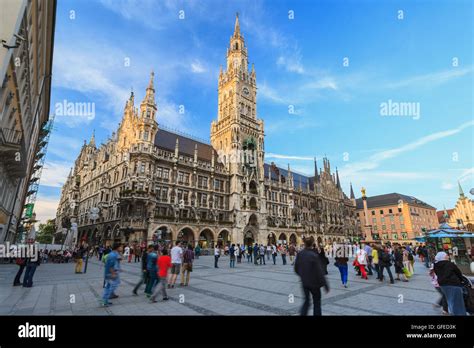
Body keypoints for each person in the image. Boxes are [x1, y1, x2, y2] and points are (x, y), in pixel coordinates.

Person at [294, 236, 329, 316]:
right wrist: (325, 285)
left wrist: (303, 275)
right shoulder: (314, 255)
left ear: (305, 244)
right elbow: (320, 272)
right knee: (316, 303)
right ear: (312, 244)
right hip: (315, 284)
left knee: (306, 301)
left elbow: (296, 269)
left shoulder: (300, 254)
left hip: (305, 283)